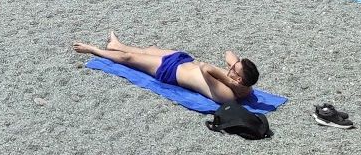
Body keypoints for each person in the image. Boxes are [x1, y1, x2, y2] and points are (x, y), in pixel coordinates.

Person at [72, 37, 259, 108]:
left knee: (129, 58)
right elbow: (229, 53)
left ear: (238, 79)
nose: (230, 67)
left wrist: (230, 81)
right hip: (184, 60)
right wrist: (235, 67)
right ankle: (116, 45)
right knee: (148, 50)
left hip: (170, 72)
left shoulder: (227, 95)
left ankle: (94, 49)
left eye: (233, 69)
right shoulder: (246, 86)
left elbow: (205, 68)